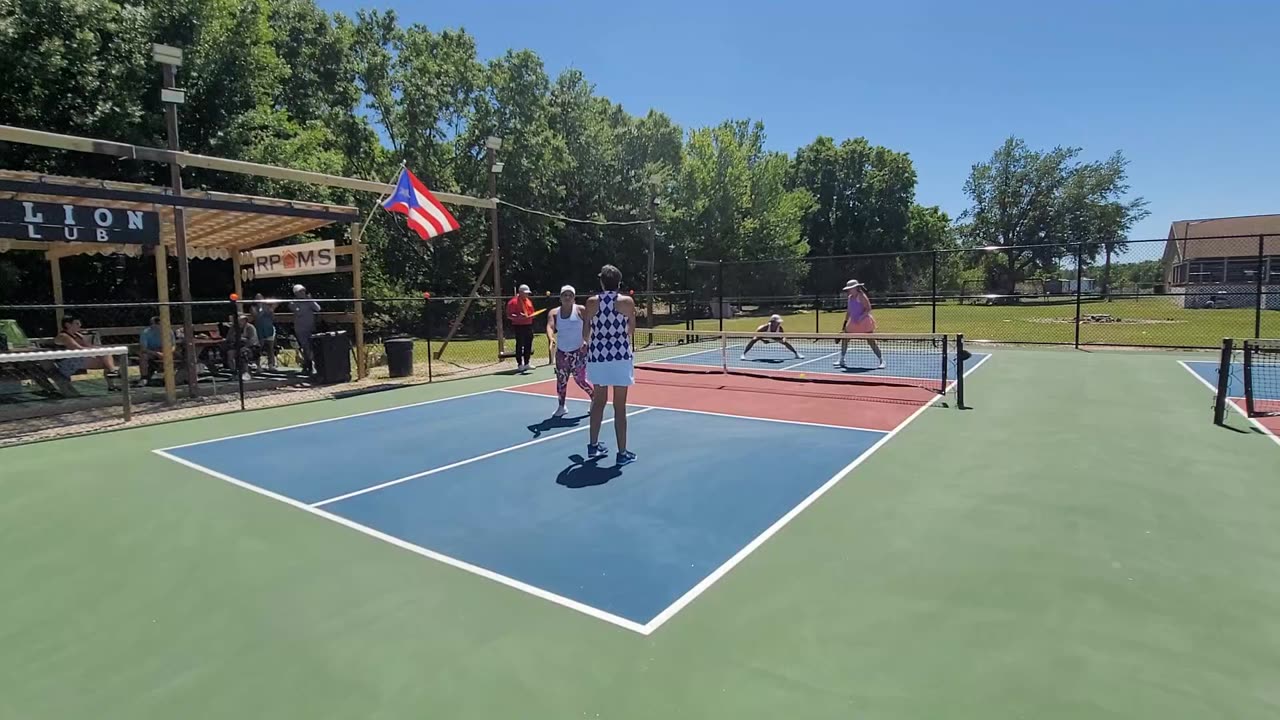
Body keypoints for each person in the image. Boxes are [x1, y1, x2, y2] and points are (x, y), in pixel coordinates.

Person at [583, 264, 637, 465]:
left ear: (602, 281)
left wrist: (595, 342)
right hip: (620, 357)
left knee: (598, 402)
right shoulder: (627, 302)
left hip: (598, 357)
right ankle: (622, 453)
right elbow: (630, 330)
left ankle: (593, 446)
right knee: (619, 406)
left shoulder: (591, 303)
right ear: (619, 282)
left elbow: (585, 333)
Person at [546, 285, 594, 417]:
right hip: (562, 353)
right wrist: (551, 338)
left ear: (574, 298)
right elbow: (550, 326)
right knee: (561, 381)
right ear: (560, 298)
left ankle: (594, 398)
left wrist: (586, 340)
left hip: (579, 352)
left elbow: (588, 325)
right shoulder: (554, 312)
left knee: (581, 380)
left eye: (570, 295)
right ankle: (561, 406)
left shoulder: (580, 310)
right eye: (564, 295)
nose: (567, 297)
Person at [54, 316, 118, 390]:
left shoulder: (78, 335)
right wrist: (97, 351)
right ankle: (113, 372)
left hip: (79, 358)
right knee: (107, 361)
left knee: (106, 357)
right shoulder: (63, 336)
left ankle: (112, 377)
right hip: (66, 362)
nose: (80, 325)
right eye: (77, 323)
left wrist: (99, 350)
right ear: (68, 325)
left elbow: (88, 346)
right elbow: (78, 349)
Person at [834, 279, 883, 369]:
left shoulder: (861, 296)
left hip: (864, 322)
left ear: (856, 288)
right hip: (853, 322)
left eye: (851, 288)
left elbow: (868, 308)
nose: (849, 290)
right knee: (845, 339)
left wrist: (861, 317)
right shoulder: (849, 298)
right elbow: (849, 311)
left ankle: (881, 360)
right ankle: (841, 359)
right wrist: (844, 324)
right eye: (848, 289)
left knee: (871, 341)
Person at [290, 284, 320, 374]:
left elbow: (318, 308)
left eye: (303, 291)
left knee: (312, 347)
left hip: (311, 328)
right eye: (300, 291)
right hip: (300, 329)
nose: (303, 293)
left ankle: (308, 366)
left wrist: (310, 300)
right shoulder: (293, 302)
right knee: (306, 347)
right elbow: (298, 312)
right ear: (296, 293)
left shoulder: (309, 301)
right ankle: (309, 365)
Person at [506, 284, 536, 372]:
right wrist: (519, 316)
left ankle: (527, 363)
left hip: (528, 324)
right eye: (525, 293)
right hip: (518, 325)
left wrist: (531, 316)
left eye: (527, 293)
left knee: (528, 343)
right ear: (520, 292)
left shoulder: (528, 301)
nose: (527, 295)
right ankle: (520, 364)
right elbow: (509, 315)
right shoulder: (513, 302)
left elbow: (532, 313)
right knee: (520, 344)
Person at [137, 316, 173, 384]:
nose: (158, 325)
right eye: (155, 323)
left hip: (165, 350)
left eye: (159, 323)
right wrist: (156, 353)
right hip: (151, 351)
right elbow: (144, 349)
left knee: (178, 355)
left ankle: (170, 377)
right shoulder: (145, 332)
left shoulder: (169, 331)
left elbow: (173, 346)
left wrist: (168, 352)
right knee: (143, 356)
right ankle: (144, 378)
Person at [252, 293, 277, 370]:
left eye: (261, 298)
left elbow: (273, 317)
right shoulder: (254, 308)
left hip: (268, 329)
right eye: (257, 299)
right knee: (259, 348)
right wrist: (261, 310)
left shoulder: (268, 307)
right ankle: (258, 365)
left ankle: (271, 365)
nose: (259, 300)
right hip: (259, 330)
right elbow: (256, 317)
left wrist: (271, 310)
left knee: (270, 348)